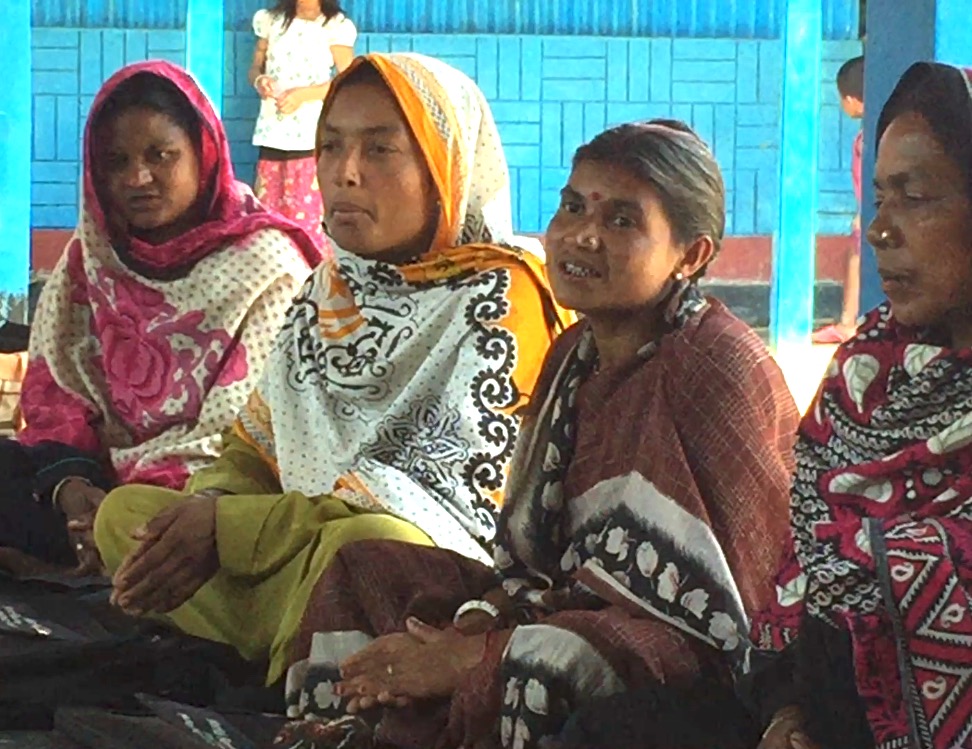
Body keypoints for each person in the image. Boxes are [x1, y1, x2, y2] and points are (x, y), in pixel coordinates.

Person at [271, 119, 801, 749]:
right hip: (566, 608)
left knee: (549, 661)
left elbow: (737, 612)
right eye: (572, 206)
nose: (582, 235)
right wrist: (479, 624)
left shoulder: (715, 364)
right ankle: (345, 731)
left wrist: (477, 658)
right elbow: (535, 566)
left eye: (623, 221)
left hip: (697, 658)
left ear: (690, 256)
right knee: (365, 567)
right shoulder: (574, 356)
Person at [93, 53, 570, 686]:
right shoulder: (328, 288)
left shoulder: (499, 297)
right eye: (331, 146)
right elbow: (253, 450)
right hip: (300, 549)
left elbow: (431, 508)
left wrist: (227, 530)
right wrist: (208, 504)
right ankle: (304, 641)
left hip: (429, 577)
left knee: (367, 545)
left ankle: (290, 646)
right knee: (128, 517)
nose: (344, 174)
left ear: (444, 166)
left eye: (380, 151)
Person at [0, 61, 320, 577]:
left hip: (202, 497)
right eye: (115, 162)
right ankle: (83, 555)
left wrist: (119, 509)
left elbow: (243, 429)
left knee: (198, 524)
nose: (137, 178)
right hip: (90, 485)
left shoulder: (268, 264)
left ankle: (81, 562)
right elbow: (57, 391)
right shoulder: (93, 256)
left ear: (204, 152)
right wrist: (72, 489)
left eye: (160, 156)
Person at [753, 62, 972, 749]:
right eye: (880, 199)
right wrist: (785, 715)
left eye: (915, 197)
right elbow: (797, 578)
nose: (880, 230)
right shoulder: (867, 372)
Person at [249, 0, 356, 249]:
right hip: (272, 131)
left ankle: (310, 275)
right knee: (268, 217)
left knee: (307, 218)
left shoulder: (335, 26)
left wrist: (302, 96)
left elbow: (346, 79)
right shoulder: (271, 20)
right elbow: (255, 68)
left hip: (309, 135)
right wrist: (259, 81)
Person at [813, 55, 864, 344]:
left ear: (852, 99)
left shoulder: (865, 139)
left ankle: (848, 323)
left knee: (856, 259)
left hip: (870, 214)